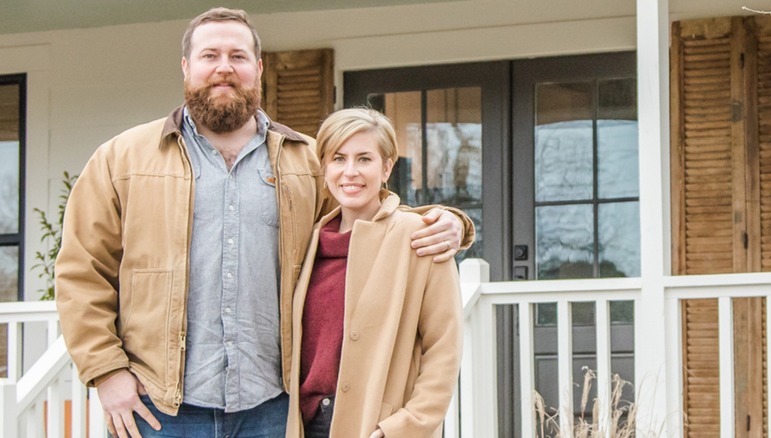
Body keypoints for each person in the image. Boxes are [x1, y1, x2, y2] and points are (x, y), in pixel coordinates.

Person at [54, 8, 473, 438]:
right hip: (159, 411)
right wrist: (106, 372)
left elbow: (371, 211)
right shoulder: (121, 160)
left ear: (257, 68)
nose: (223, 68)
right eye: (209, 55)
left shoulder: (307, 161)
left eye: (237, 56)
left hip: (274, 410)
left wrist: (451, 222)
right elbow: (80, 272)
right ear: (186, 67)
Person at [285, 108, 463, 438]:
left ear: (386, 167)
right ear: (324, 167)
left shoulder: (419, 236)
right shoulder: (308, 242)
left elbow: (444, 347)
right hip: (304, 424)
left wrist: (404, 426)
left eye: (364, 159)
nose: (350, 172)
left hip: (375, 428)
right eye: (338, 158)